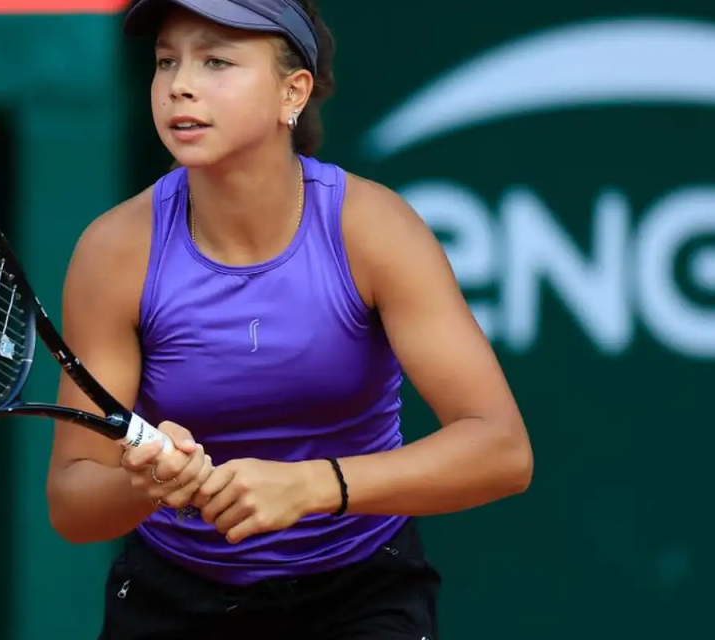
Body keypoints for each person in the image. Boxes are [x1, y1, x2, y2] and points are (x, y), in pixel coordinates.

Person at [44, 0, 534, 637]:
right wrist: (151, 485)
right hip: (175, 597)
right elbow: (72, 505)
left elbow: (501, 450)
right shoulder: (113, 253)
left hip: (359, 591)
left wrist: (313, 486)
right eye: (167, 61)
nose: (179, 84)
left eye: (217, 60)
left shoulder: (373, 229)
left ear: (291, 92)